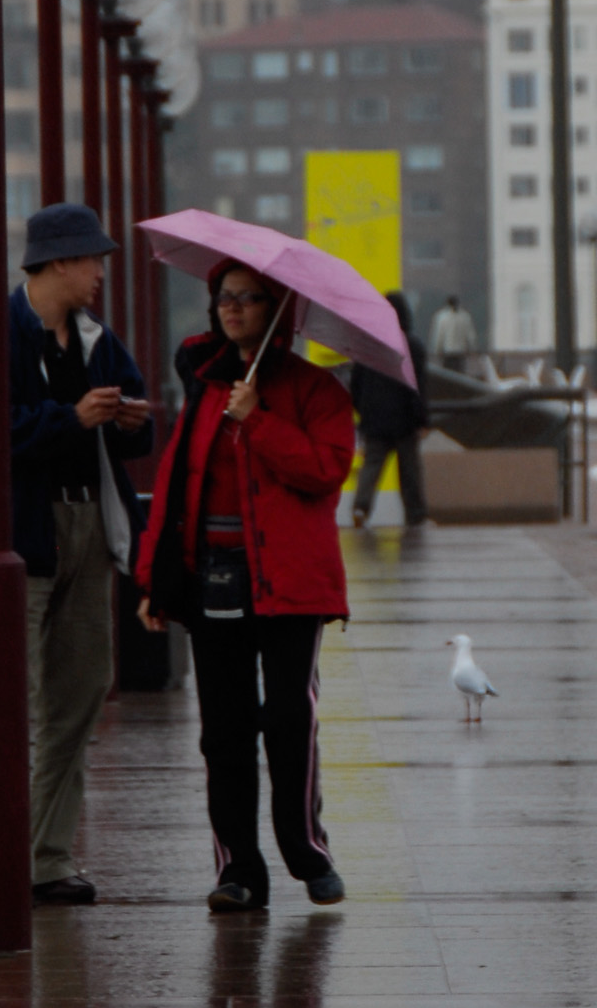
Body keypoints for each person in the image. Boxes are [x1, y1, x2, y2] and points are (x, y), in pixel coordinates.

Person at [136, 261, 354, 915]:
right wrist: (154, 580)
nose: (232, 309)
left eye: (248, 298)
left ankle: (306, 851)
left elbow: (325, 471)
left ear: (275, 309)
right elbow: (175, 487)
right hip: (215, 580)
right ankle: (237, 868)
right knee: (223, 728)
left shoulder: (314, 391)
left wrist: (258, 420)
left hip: (290, 585)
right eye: (223, 298)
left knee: (289, 719)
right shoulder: (205, 388)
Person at [0, 202, 152, 907]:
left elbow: (133, 429)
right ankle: (4, 854)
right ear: (59, 262)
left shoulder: (97, 340)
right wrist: (72, 418)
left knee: (81, 687)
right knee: (13, 698)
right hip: (16, 539)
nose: (100, 273)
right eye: (93, 260)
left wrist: (128, 420)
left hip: (88, 526)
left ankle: (47, 856)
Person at [349, 290, 431, 529]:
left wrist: (363, 411)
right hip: (405, 420)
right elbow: (419, 385)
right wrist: (423, 419)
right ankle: (415, 515)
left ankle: (360, 508)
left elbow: (356, 384)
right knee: (409, 472)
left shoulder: (367, 345)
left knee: (371, 467)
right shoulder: (412, 345)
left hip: (374, 419)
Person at [427, 292, 476, 369]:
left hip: (447, 352)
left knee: (448, 376)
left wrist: (437, 350)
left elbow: (439, 336)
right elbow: (471, 336)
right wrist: (472, 349)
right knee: (460, 376)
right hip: (460, 353)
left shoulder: (441, 317)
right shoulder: (465, 316)